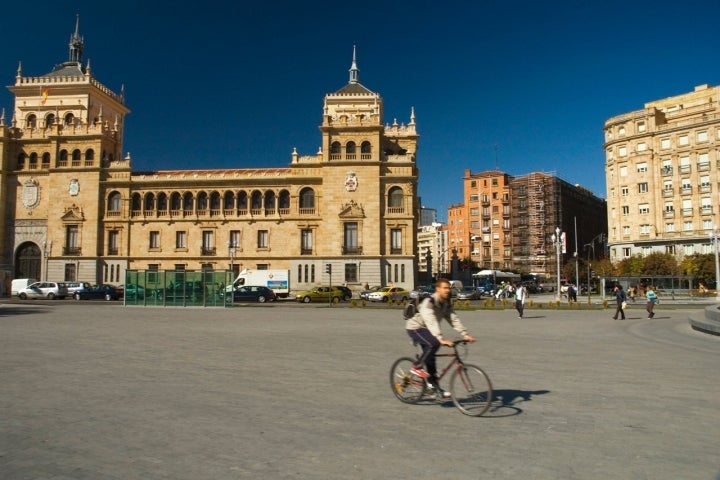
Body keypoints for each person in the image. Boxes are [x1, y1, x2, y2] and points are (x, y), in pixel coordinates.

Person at [405, 278, 475, 398]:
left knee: (431, 359)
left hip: (427, 329)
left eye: (449, 288)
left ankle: (433, 387)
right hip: (415, 327)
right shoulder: (429, 302)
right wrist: (440, 338)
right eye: (445, 288)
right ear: (438, 289)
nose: (448, 290)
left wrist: (465, 334)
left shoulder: (445, 303)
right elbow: (430, 320)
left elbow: (453, 319)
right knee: (434, 344)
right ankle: (416, 367)